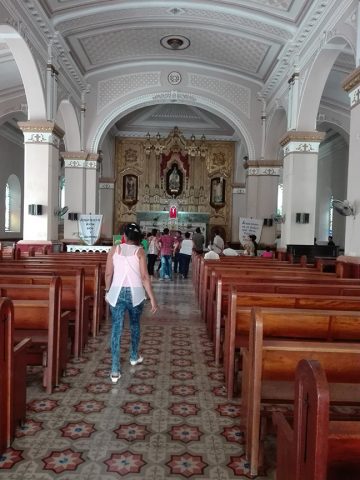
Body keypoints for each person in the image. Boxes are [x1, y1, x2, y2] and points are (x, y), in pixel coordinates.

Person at [105, 222, 158, 384]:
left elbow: (108, 273)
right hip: (135, 294)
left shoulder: (114, 249)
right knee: (135, 324)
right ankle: (134, 356)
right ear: (137, 238)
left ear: (125, 236)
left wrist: (108, 291)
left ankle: (115, 369)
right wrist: (153, 299)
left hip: (117, 292)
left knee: (116, 327)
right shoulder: (140, 251)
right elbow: (144, 277)